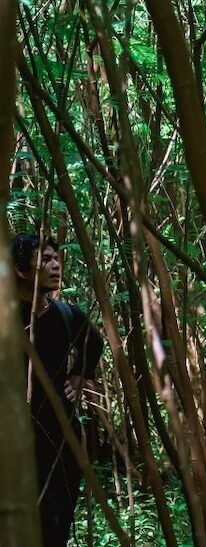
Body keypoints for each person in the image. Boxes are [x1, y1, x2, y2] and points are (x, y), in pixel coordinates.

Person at [13, 233, 105, 547]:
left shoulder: (66, 315)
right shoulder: (6, 316)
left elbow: (94, 343)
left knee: (58, 522)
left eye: (56, 258)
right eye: (46, 259)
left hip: (62, 434)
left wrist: (79, 378)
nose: (56, 266)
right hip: (15, 438)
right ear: (21, 269)